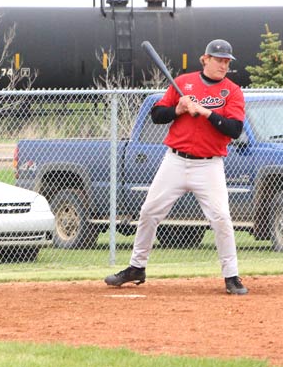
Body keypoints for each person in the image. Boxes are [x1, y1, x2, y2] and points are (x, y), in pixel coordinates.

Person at [104, 39, 248, 295]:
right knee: (149, 211)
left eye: (227, 61)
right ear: (205, 59)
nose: (223, 65)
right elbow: (157, 115)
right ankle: (137, 267)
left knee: (221, 219)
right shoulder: (183, 83)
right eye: (219, 59)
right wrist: (178, 109)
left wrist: (205, 112)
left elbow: (234, 130)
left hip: (209, 165)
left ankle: (231, 276)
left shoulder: (233, 91)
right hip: (175, 161)